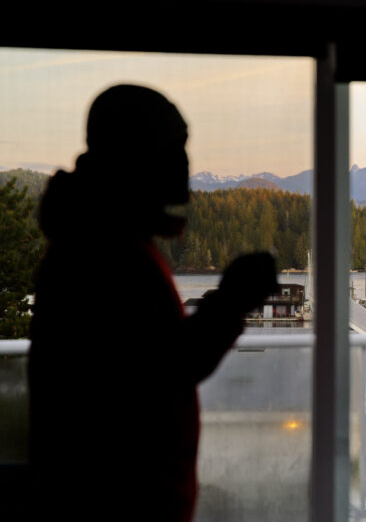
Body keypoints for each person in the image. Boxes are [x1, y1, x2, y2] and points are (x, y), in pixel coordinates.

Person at [27, 84, 277, 521]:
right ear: (134, 154)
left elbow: (146, 360)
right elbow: (163, 368)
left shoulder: (96, 238)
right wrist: (232, 300)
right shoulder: (103, 251)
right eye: (175, 147)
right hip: (121, 499)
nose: (185, 164)